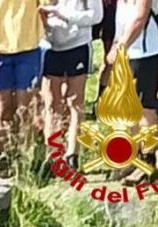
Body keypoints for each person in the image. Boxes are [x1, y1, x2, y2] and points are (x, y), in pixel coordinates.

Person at [0, 0, 48, 155]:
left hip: (28, 50)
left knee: (26, 107)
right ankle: (3, 157)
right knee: (2, 107)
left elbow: (46, 7)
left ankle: (25, 158)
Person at [41, 0, 104, 169]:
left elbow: (97, 16)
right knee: (52, 102)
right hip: (50, 46)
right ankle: (52, 154)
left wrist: (64, 15)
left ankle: (72, 155)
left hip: (78, 45)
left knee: (74, 101)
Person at [107, 0, 158, 178]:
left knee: (144, 108)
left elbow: (140, 17)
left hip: (145, 53)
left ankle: (149, 160)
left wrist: (120, 46)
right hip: (128, 53)